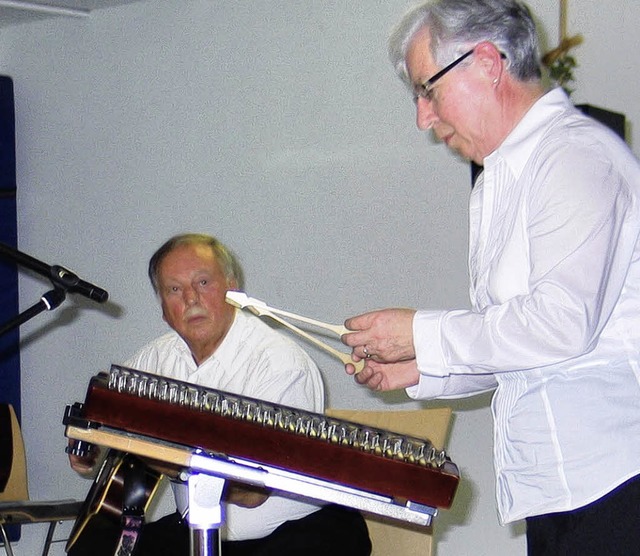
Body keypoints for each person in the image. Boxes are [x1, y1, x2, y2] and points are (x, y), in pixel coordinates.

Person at [340, 1, 640, 554]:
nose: (422, 118)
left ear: (486, 61)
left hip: (616, 482)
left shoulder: (575, 156)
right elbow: (517, 347)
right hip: (556, 492)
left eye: (425, 90)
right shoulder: (497, 180)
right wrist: (416, 365)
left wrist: (424, 335)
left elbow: (561, 324)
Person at [70, 233, 371, 556]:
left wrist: (153, 451)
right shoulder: (155, 359)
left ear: (233, 289)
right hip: (200, 530)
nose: (190, 299)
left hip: (300, 533)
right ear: (163, 308)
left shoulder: (280, 364)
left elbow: (251, 491)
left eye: (202, 282)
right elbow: (107, 422)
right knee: (91, 551)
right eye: (174, 289)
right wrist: (89, 451)